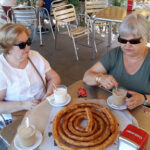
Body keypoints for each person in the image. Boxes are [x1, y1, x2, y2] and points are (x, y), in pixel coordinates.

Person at [83, 14, 150, 110]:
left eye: (134, 41)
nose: (127, 45)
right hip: (114, 108)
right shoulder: (115, 54)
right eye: (122, 40)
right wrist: (100, 78)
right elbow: (86, 77)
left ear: (146, 39)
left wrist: (144, 99)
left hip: (143, 112)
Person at [0, 23, 61, 114]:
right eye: (22, 45)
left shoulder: (35, 56)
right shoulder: (2, 69)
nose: (28, 47)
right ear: (8, 48)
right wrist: (23, 105)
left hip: (43, 108)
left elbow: (54, 77)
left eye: (28, 42)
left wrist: (48, 94)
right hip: (18, 115)